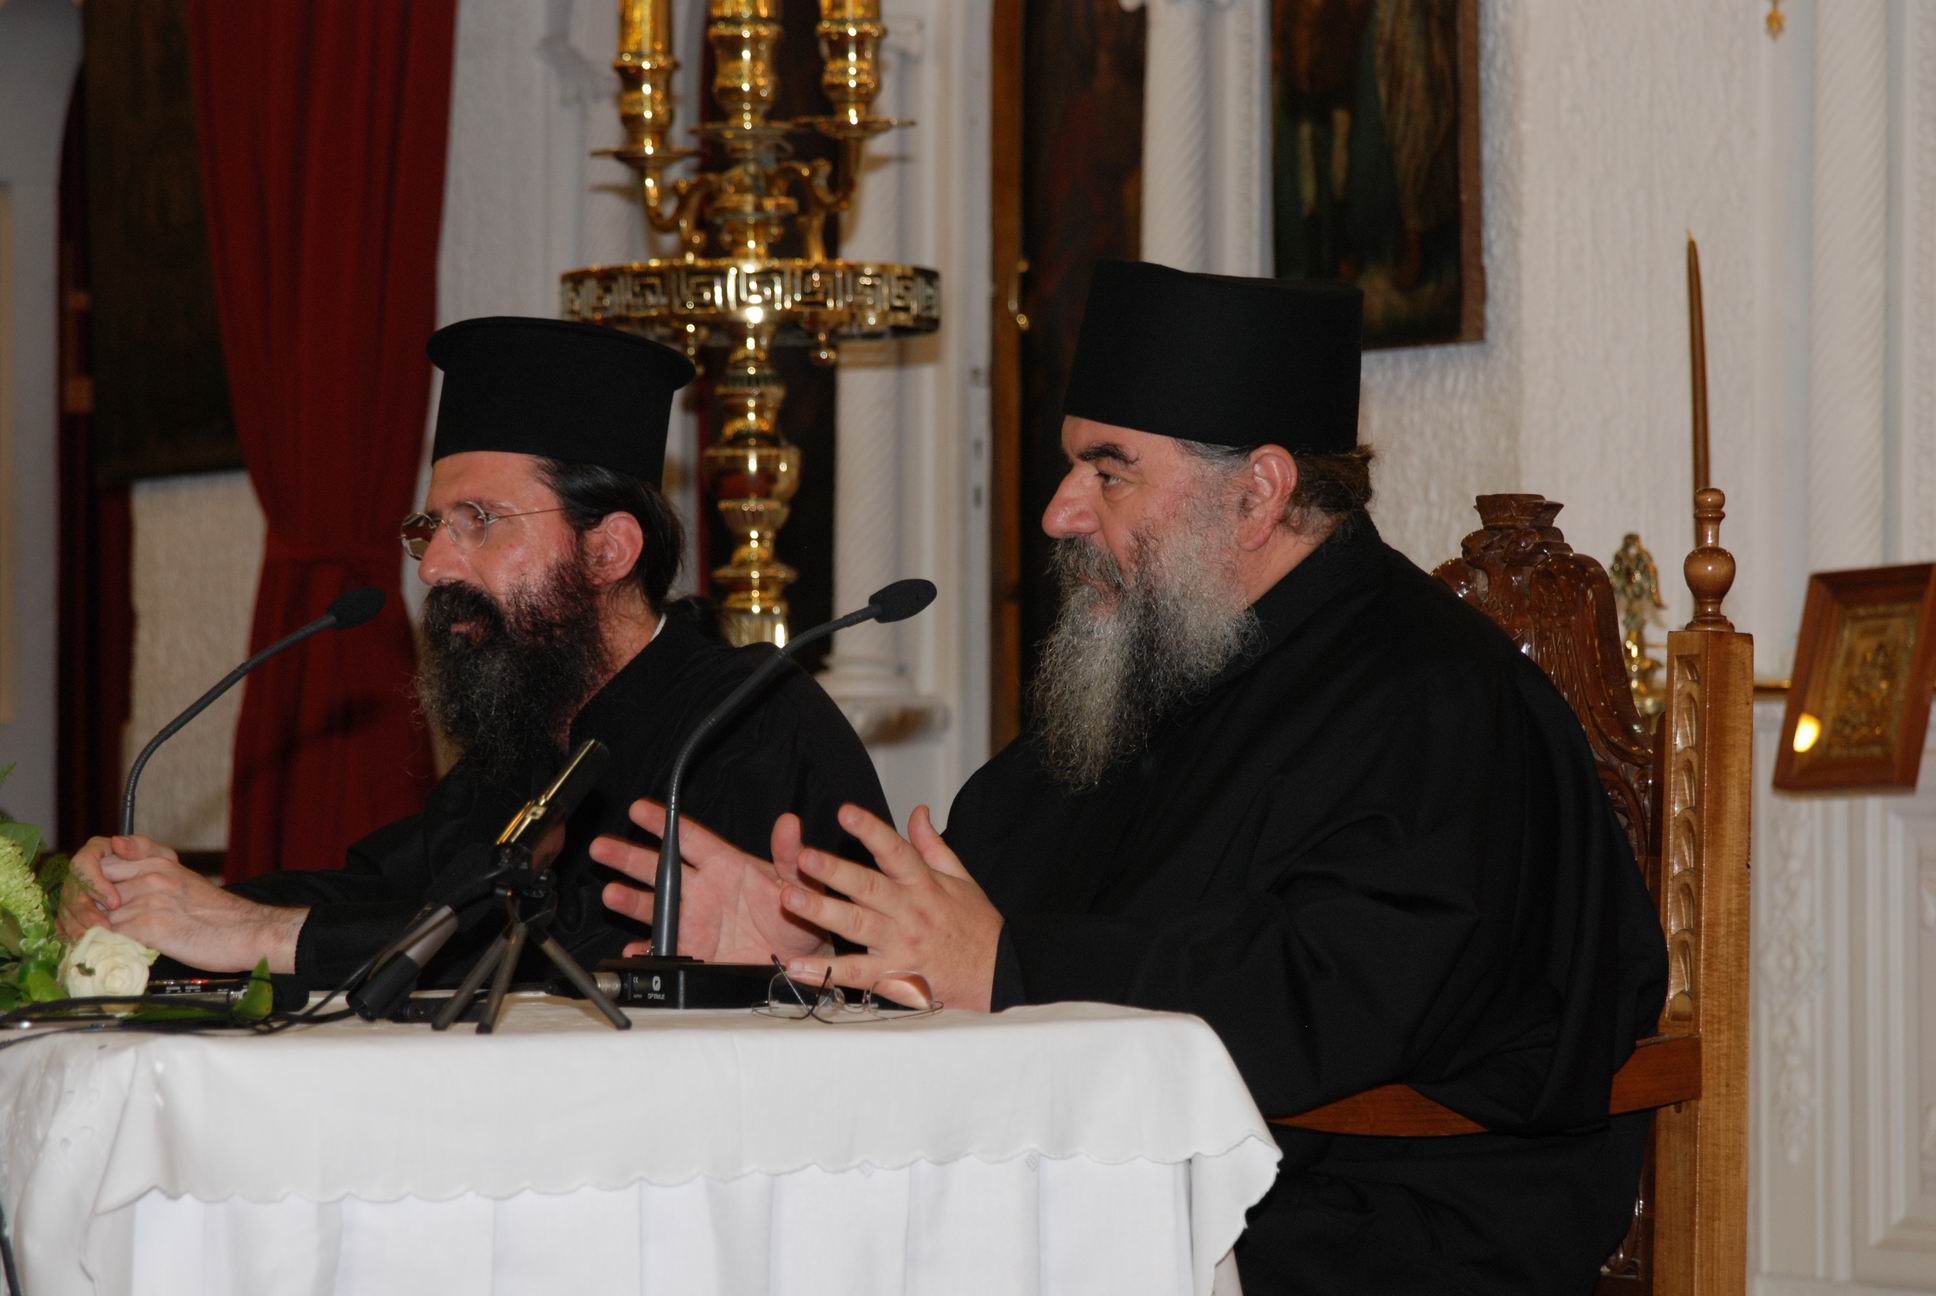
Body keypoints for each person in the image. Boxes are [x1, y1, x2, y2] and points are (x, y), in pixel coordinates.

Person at [594, 262, 1668, 1292]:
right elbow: (975, 924)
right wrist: (819, 958)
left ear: (1258, 492)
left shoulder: (1433, 694)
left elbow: (1338, 993)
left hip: (1370, 1226)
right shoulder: (1156, 677)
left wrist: (1008, 967)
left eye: (1109, 472)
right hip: (1145, 1190)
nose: (1061, 511)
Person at [57, 316, 889, 993]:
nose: (433, 568)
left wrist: (257, 934)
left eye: (478, 523)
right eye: (431, 529)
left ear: (608, 550)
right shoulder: (526, 731)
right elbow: (379, 894)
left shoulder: (746, 724)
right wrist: (166, 901)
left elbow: (567, 958)